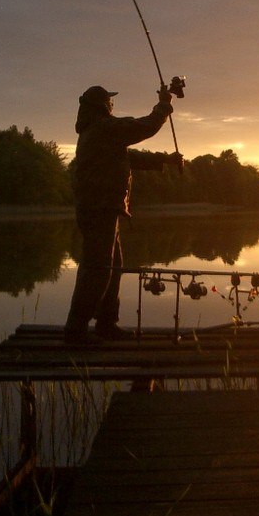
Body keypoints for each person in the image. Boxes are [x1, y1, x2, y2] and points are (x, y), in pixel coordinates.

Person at [64, 84, 182, 344]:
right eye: (109, 101)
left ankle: (106, 324)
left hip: (104, 208)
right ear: (102, 105)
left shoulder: (99, 132)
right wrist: (164, 105)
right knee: (97, 269)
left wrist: (165, 160)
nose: (112, 104)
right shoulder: (103, 128)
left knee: (112, 267)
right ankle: (76, 331)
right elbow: (143, 127)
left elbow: (130, 156)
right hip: (100, 208)